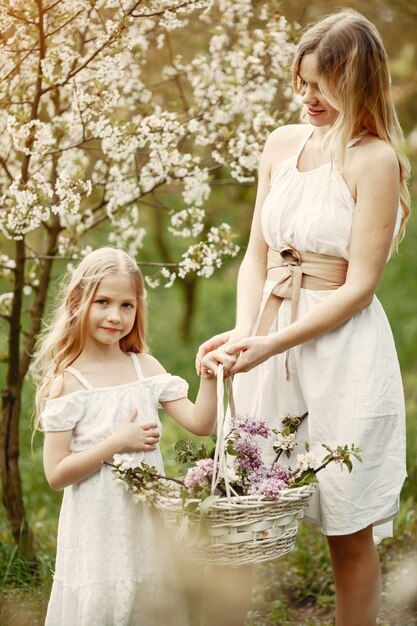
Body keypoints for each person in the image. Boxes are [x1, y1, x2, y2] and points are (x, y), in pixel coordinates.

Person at [197, 9, 410, 626]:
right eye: (301, 81)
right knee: (243, 514)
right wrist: (247, 334)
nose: (306, 97)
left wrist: (273, 341)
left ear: (358, 83)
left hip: (340, 351)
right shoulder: (282, 144)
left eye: (322, 85)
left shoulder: (375, 161)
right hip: (271, 335)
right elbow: (255, 256)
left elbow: (360, 288)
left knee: (346, 525)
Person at [33, 247, 218, 626]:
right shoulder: (68, 382)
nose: (115, 316)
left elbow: (201, 423)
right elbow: (55, 474)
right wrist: (117, 442)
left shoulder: (143, 367)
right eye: (102, 302)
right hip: (97, 529)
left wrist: (211, 376)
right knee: (102, 606)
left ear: (138, 309)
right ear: (77, 301)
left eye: (126, 305)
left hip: (145, 524)